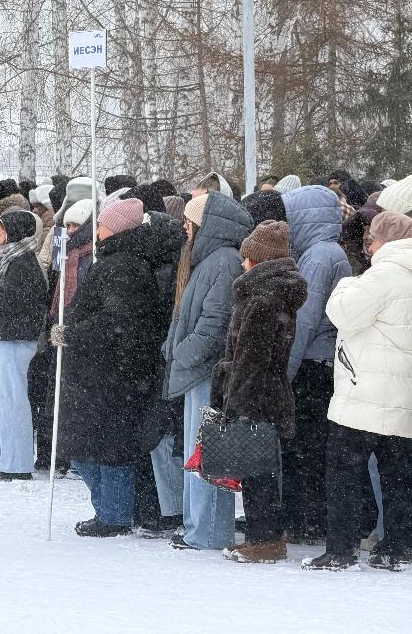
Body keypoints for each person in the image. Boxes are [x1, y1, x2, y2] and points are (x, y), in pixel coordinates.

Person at [304, 211, 412, 570]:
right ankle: (398, 548)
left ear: (383, 241)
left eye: (371, 240)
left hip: (364, 393)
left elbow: (343, 313)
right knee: (399, 479)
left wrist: (345, 285)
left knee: (344, 474)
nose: (369, 247)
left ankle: (341, 550)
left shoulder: (381, 275)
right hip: (403, 397)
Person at [53, 198, 168, 534]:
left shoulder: (121, 265)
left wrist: (73, 333)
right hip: (110, 369)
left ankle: (114, 514)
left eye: (102, 224)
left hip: (111, 371)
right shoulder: (121, 261)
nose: (97, 230)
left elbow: (116, 320)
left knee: (106, 447)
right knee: (97, 446)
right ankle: (110, 510)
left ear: (115, 229)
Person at [210, 221, 307, 563]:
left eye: (247, 256)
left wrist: (234, 403)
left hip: (256, 395)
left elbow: (250, 359)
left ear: (259, 259)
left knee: (257, 470)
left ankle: (264, 539)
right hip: (268, 391)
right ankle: (263, 536)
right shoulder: (274, 295)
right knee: (261, 467)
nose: (242, 262)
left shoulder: (262, 299)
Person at [164, 192, 254, 550]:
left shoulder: (224, 261)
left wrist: (182, 352)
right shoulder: (210, 259)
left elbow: (215, 324)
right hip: (196, 370)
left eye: (191, 223)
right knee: (198, 453)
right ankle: (197, 527)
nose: (185, 228)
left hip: (208, 374)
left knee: (208, 453)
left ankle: (207, 531)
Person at [280, 184, 352, 543]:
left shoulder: (319, 257)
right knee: (311, 446)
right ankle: (307, 518)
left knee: (306, 447)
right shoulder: (322, 252)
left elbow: (304, 320)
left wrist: (286, 372)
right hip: (320, 363)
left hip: (312, 364)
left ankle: (308, 520)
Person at [0, 209, 47, 480]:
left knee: (11, 400)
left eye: (1, 231)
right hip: (6, 336)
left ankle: (15, 463)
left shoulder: (22, 263)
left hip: (16, 338)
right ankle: (2, 459)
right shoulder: (9, 260)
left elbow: (11, 302)